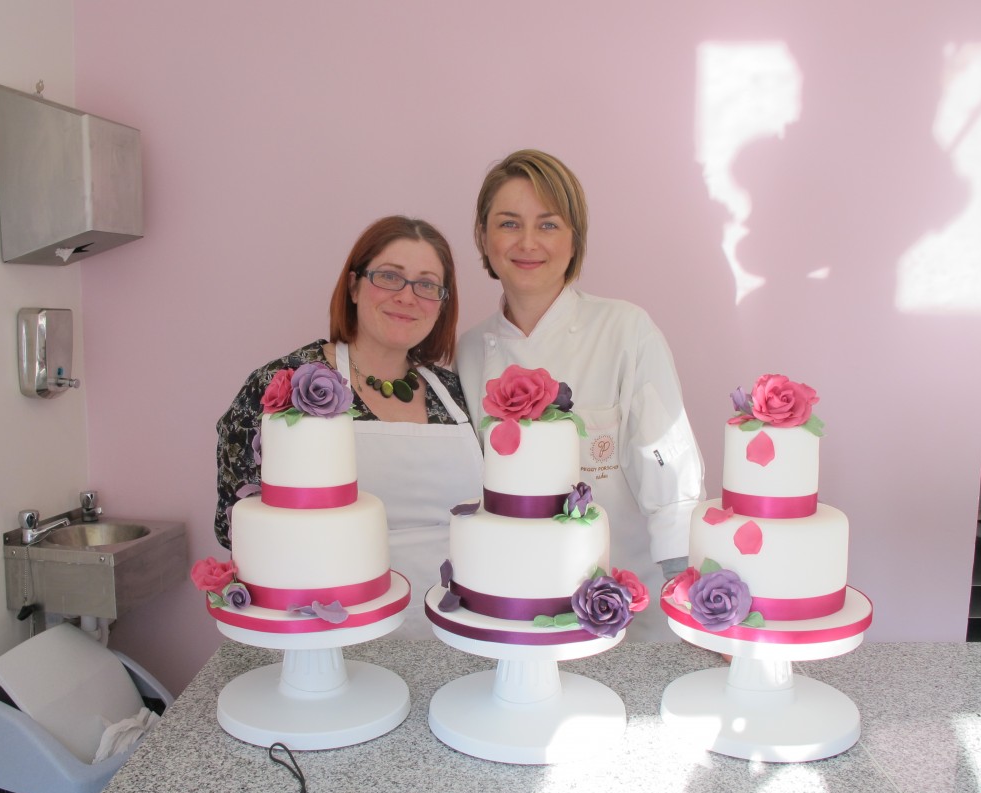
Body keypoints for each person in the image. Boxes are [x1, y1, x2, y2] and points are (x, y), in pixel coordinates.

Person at [457, 149, 705, 641]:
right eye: (508, 224)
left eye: (548, 225)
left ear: (575, 241)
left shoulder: (625, 330)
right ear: (484, 239)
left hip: (623, 605)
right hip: (509, 603)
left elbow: (668, 470)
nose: (528, 242)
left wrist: (689, 589)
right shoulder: (466, 352)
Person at [216, 216, 483, 638]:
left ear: (442, 304)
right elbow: (236, 526)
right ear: (355, 286)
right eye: (389, 276)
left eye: (427, 284)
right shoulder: (282, 385)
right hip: (325, 634)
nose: (407, 297)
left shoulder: (456, 394)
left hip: (454, 629)